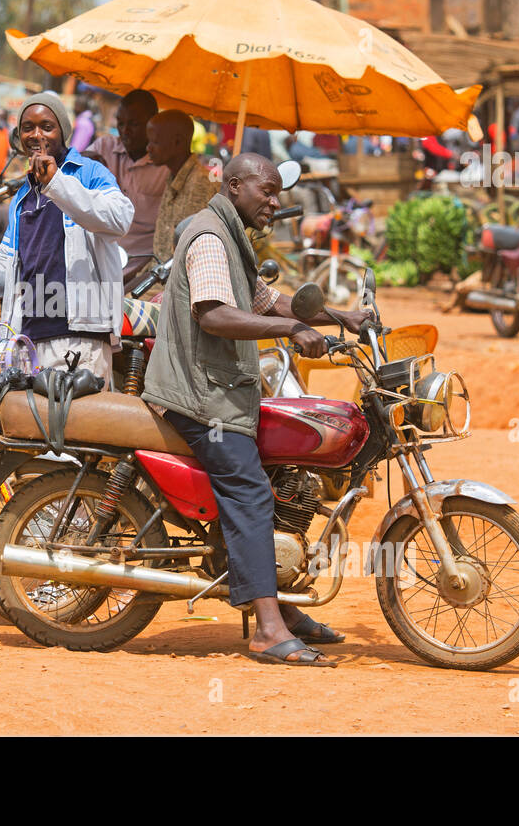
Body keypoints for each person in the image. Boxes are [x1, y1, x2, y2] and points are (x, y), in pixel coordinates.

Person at [141, 153, 368, 665]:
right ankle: (267, 629)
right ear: (234, 186)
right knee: (249, 492)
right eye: (266, 192)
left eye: (277, 193)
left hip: (221, 391)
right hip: (198, 398)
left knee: (280, 474)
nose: (274, 202)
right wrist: (293, 330)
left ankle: (281, 606)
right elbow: (215, 315)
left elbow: (268, 302)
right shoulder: (208, 237)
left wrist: (342, 317)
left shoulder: (232, 236)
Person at [0, 91, 133, 384]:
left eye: (47, 126)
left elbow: (120, 218)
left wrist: (56, 182)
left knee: (79, 415)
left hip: (80, 337)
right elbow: (7, 268)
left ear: (63, 132)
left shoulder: (90, 173)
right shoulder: (22, 197)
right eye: (28, 127)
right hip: (28, 341)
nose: (36, 135)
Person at [86, 89, 166, 283]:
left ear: (152, 123)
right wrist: (83, 161)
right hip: (93, 261)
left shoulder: (165, 167)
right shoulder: (103, 148)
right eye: (120, 123)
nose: (125, 131)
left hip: (139, 272)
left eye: (134, 124)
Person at [144, 109, 220, 265]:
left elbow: (190, 254)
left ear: (177, 142)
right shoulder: (172, 177)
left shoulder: (201, 184)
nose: (148, 148)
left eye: (155, 142)